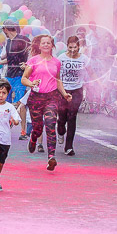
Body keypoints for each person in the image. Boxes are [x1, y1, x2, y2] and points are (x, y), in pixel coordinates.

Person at [21, 34, 72, 171]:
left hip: (52, 97)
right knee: (38, 128)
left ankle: (51, 157)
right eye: (43, 43)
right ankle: (33, 139)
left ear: (52, 45)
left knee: (50, 125)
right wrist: (31, 83)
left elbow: (57, 80)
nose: (45, 45)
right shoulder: (33, 61)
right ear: (39, 45)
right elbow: (24, 78)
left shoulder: (56, 62)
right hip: (36, 98)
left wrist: (64, 94)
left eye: (48, 43)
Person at [57, 35, 90, 156]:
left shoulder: (84, 59)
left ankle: (69, 146)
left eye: (74, 47)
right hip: (63, 89)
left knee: (72, 115)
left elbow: (91, 72)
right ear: (67, 46)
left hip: (77, 89)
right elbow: (55, 74)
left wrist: (98, 83)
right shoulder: (61, 58)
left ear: (79, 47)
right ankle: (60, 130)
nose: (72, 50)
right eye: (70, 47)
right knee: (62, 116)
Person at [0, 20, 30, 139]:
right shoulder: (9, 42)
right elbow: (10, 59)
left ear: (7, 29)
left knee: (21, 102)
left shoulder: (23, 39)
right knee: (6, 101)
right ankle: (6, 127)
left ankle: (23, 131)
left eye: (3, 29)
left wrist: (26, 64)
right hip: (9, 75)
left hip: (20, 76)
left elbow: (32, 53)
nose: (3, 32)